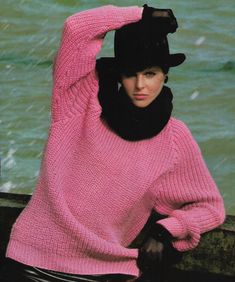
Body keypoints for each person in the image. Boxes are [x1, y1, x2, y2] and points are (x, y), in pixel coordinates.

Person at [0, 4, 225, 282]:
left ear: (165, 75)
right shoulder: (79, 102)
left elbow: (210, 208)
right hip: (33, 261)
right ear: (119, 75)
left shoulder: (174, 138)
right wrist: (140, 13)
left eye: (150, 73)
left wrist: (164, 231)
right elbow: (76, 27)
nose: (140, 85)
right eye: (131, 74)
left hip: (107, 270)